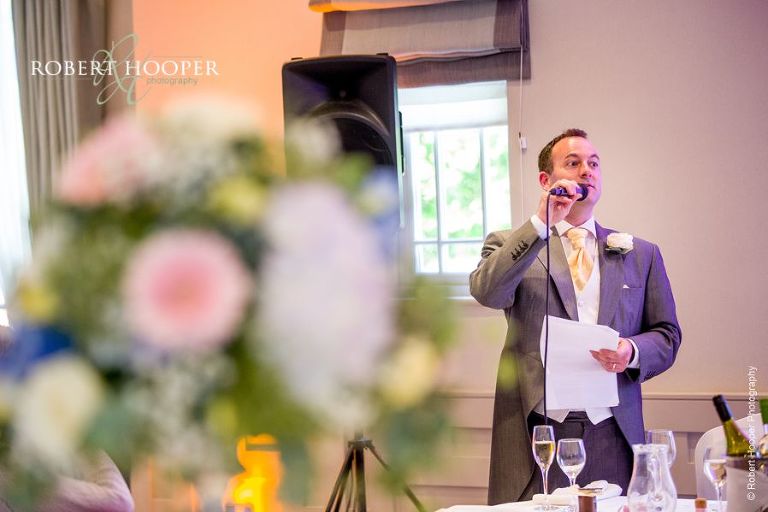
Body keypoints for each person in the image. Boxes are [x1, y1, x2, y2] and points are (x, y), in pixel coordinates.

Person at [469, 128, 682, 504]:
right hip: (538, 434)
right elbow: (488, 292)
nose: (587, 171)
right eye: (573, 163)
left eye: (594, 163)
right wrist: (540, 224)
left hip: (613, 432)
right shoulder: (510, 243)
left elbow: (667, 335)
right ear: (545, 180)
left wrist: (630, 350)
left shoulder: (641, 254)